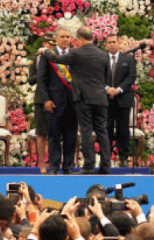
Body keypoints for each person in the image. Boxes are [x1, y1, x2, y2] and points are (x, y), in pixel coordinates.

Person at [40, 26, 112, 174]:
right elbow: (108, 79)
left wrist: (45, 51)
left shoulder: (76, 53)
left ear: (80, 39)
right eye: (63, 37)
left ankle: (89, 166)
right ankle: (105, 166)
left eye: (71, 38)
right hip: (100, 98)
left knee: (85, 132)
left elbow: (57, 59)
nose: (69, 41)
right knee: (102, 133)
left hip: (82, 99)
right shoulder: (104, 55)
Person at [37, 28, 78, 175]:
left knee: (71, 136)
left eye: (68, 36)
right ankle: (54, 167)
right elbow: (41, 81)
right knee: (54, 135)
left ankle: (68, 167)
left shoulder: (75, 54)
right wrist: (46, 100)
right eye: (62, 37)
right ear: (56, 38)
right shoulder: (47, 55)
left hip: (73, 102)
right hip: (53, 102)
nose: (65, 39)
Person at [104, 35, 136, 167]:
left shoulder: (128, 59)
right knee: (106, 129)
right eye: (109, 42)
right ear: (106, 45)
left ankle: (123, 158)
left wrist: (118, 89)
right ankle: (106, 158)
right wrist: (107, 89)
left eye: (114, 42)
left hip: (123, 98)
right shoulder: (101, 59)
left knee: (123, 130)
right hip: (106, 99)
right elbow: (97, 77)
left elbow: (131, 77)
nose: (112, 45)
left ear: (119, 43)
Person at [28, 32, 55, 173]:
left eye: (53, 45)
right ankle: (42, 165)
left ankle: (55, 163)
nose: (51, 47)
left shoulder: (59, 57)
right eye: (49, 45)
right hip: (40, 98)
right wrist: (42, 72)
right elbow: (30, 80)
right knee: (41, 133)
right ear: (44, 45)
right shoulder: (36, 59)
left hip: (57, 97)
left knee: (56, 133)